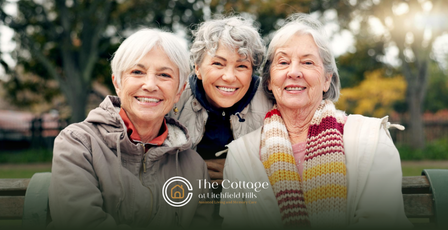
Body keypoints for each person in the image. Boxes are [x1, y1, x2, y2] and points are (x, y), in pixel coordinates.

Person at [220, 13, 412, 229]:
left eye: (308, 62)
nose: (294, 72)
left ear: (327, 79)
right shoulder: (242, 153)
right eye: (283, 62)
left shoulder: (372, 139)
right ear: (269, 82)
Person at [48, 28, 212, 229]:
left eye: (164, 75)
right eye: (137, 72)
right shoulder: (78, 143)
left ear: (179, 91)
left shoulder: (193, 165)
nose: (150, 85)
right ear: (117, 83)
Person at [169, 15, 272, 185]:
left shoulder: (271, 101)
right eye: (218, 63)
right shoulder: (173, 99)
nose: (229, 77)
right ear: (197, 68)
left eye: (241, 66)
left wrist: (238, 171)